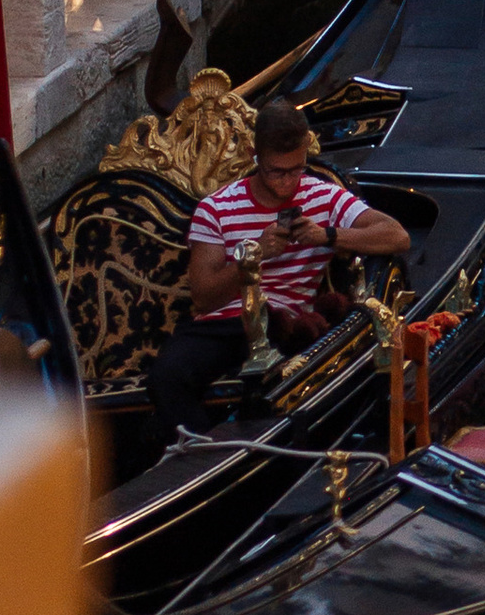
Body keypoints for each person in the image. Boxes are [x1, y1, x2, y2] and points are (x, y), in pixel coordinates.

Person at [146, 94, 411, 451]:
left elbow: (397, 236)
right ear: (255, 158)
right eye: (276, 171)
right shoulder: (216, 208)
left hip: (285, 327)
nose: (288, 182)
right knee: (167, 376)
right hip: (226, 325)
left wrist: (327, 235)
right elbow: (204, 297)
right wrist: (253, 257)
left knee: (276, 380)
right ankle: (205, 457)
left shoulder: (323, 197)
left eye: (296, 169)